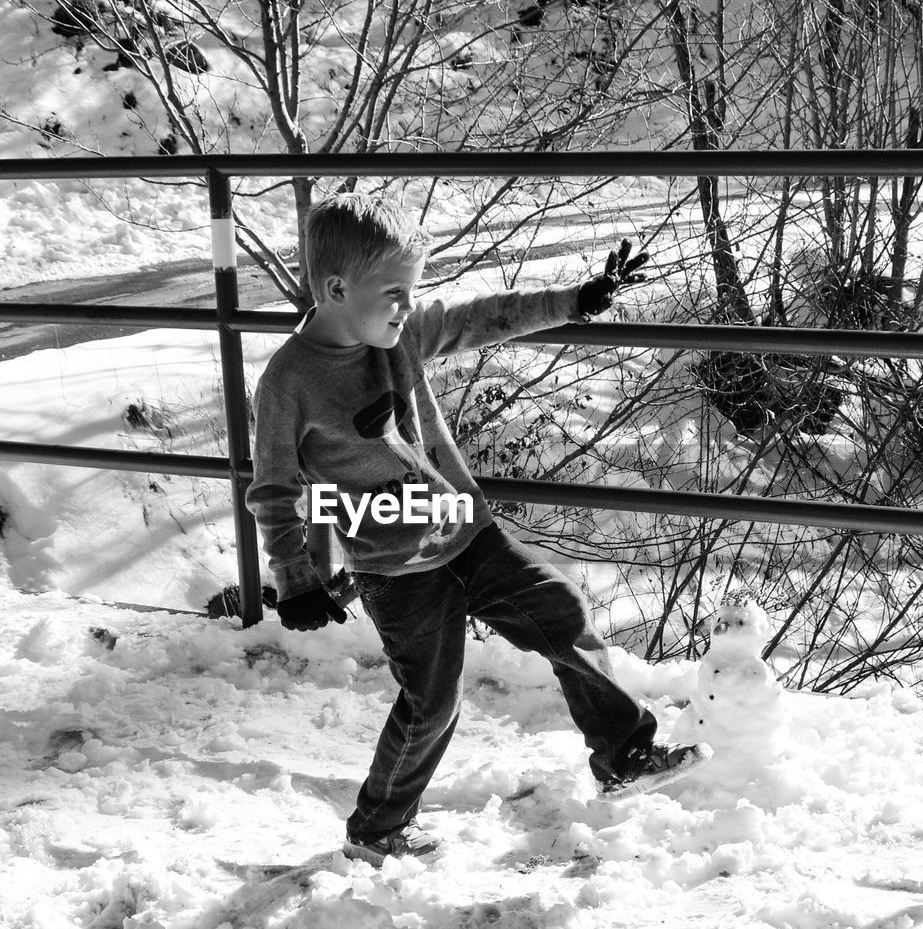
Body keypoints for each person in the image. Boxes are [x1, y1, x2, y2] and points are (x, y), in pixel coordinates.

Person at [246, 193, 711, 867]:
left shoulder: (397, 336)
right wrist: (295, 579)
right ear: (338, 288)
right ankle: (378, 825)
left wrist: (576, 299)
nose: (408, 305)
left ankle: (624, 754)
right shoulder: (289, 382)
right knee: (431, 703)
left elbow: (479, 318)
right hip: (396, 569)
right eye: (395, 292)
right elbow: (274, 486)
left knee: (561, 609)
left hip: (466, 531)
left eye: (413, 290)